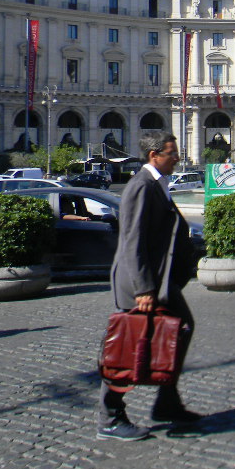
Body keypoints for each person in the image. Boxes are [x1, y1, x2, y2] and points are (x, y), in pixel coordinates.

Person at [97, 130, 199, 442]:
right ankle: (109, 417)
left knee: (181, 327)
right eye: (172, 153)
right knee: (125, 347)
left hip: (159, 280)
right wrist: (143, 288)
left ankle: (167, 403)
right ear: (154, 156)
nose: (177, 158)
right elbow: (132, 239)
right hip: (139, 283)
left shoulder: (157, 183)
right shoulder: (140, 186)